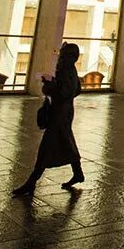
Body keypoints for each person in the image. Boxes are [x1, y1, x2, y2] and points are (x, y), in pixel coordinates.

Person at [12, 43, 84, 196]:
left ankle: (32, 182)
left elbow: (64, 92)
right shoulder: (71, 70)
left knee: (47, 147)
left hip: (59, 114)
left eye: (62, 52)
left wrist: (49, 85)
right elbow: (76, 90)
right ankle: (77, 173)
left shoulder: (65, 70)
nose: (60, 55)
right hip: (65, 112)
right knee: (66, 141)